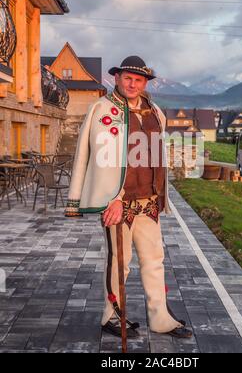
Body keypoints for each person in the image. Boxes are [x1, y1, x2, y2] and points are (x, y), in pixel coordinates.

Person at [65, 56, 192, 340]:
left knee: (154, 260)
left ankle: (160, 318)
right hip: (117, 203)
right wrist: (111, 196)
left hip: (148, 202)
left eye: (139, 80)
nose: (132, 84)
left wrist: (160, 194)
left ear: (145, 83)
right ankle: (111, 316)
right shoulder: (102, 109)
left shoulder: (155, 112)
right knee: (119, 262)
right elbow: (95, 156)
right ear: (118, 79)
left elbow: (156, 156)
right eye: (127, 78)